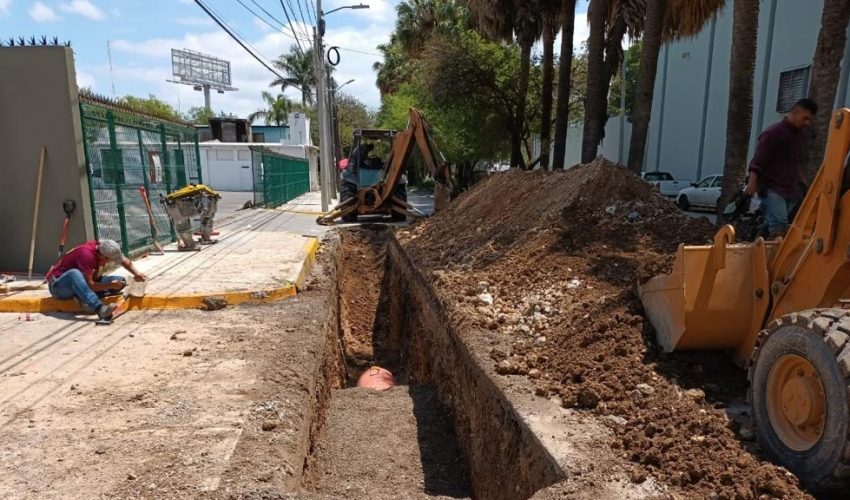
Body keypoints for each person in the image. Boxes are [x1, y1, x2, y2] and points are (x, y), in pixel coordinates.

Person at [745, 98, 818, 237]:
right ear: (795, 112)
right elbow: (758, 160)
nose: (807, 123)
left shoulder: (798, 136)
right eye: (805, 118)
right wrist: (752, 183)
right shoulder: (773, 133)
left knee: (776, 225)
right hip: (772, 187)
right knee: (779, 225)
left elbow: (794, 162)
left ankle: (755, 242)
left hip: (790, 189)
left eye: (810, 120)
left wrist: (804, 183)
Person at [46, 239, 147, 320]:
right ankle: (100, 309)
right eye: (110, 260)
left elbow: (124, 261)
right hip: (59, 286)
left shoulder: (102, 247)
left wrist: (136, 273)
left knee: (121, 281)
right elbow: (90, 285)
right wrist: (110, 285)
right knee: (74, 273)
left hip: (83, 283)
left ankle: (83, 296)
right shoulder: (86, 255)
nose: (109, 262)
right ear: (103, 257)